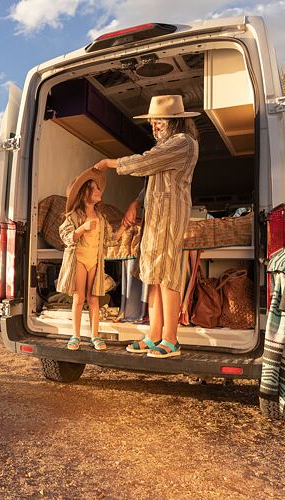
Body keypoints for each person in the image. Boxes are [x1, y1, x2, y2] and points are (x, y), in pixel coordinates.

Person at [93, 94, 200, 358]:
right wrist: (137, 203)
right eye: (151, 122)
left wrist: (110, 164)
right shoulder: (167, 147)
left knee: (167, 276)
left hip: (169, 218)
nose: (153, 126)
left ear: (174, 121)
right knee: (152, 275)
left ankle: (171, 340)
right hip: (155, 218)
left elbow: (145, 162)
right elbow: (153, 176)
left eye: (158, 121)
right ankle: (154, 334)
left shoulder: (183, 143)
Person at [56, 168, 124, 351]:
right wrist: (81, 229)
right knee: (79, 299)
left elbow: (111, 240)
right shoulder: (75, 216)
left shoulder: (101, 218)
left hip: (94, 261)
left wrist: (124, 226)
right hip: (79, 260)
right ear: (83, 194)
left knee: (94, 299)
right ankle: (75, 335)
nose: (98, 191)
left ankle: (95, 335)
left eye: (98, 188)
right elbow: (65, 235)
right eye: (93, 188)